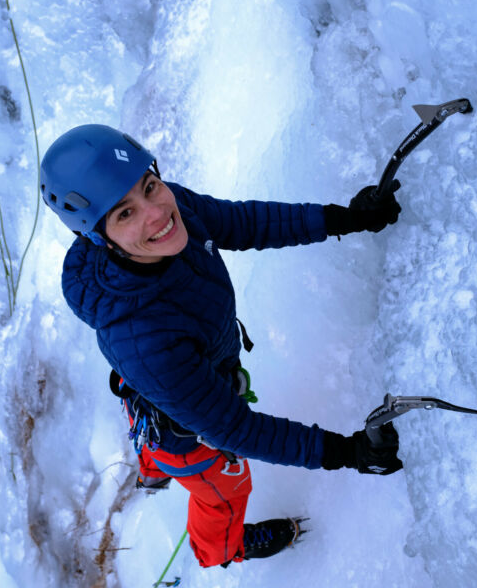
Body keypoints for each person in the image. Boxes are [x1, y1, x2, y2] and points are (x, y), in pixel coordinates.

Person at [41, 124, 403, 569]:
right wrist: (346, 452)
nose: (155, 213)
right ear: (97, 237)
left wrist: (344, 218)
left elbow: (245, 222)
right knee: (227, 493)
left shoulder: (173, 212)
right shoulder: (144, 338)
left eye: (150, 186)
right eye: (124, 214)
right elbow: (233, 429)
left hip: (169, 388)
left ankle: (153, 472)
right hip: (190, 439)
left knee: (164, 408)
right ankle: (222, 550)